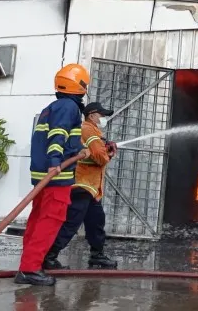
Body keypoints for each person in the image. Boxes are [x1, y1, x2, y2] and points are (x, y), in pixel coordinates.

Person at [14, 63, 92, 287]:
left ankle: (29, 264)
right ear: (80, 86)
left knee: (38, 220)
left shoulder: (53, 107)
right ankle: (30, 268)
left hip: (43, 175)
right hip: (56, 176)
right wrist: (56, 162)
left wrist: (78, 151)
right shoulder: (69, 107)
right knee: (50, 222)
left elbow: (62, 136)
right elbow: (58, 135)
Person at [43, 101, 118, 270]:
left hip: (90, 189)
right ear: (92, 115)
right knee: (71, 223)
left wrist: (106, 150)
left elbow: (94, 153)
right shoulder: (88, 129)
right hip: (81, 186)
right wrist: (109, 153)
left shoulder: (92, 131)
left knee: (96, 221)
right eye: (102, 115)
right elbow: (100, 157)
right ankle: (50, 256)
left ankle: (97, 256)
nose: (103, 118)